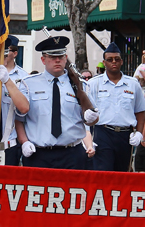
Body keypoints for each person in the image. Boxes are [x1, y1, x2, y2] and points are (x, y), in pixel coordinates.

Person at [17, 35, 97, 169]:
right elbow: (19, 119)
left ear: (66, 58)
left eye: (61, 56)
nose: (57, 60)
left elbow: (91, 119)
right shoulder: (28, 84)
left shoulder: (80, 85)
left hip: (72, 153)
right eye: (53, 57)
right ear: (43, 60)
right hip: (39, 154)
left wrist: (92, 117)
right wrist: (24, 142)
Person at [87, 43, 145, 172]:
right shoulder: (94, 84)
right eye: (109, 59)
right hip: (103, 133)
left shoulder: (133, 84)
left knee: (122, 173)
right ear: (104, 62)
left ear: (121, 61)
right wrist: (87, 138)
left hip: (125, 135)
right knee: (104, 171)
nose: (113, 62)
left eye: (117, 59)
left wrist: (140, 133)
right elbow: (85, 113)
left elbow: (140, 112)